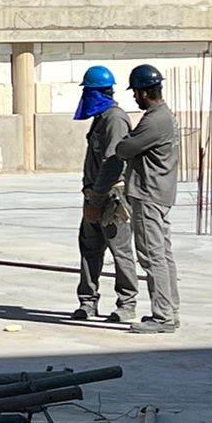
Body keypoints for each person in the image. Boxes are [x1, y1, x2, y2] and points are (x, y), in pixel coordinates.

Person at [89, 63, 180, 334]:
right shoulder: (164, 115)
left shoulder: (154, 120)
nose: (133, 98)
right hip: (159, 193)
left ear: (142, 93)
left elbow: (124, 149)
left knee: (152, 256)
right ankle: (170, 310)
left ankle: (162, 317)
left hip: (148, 194)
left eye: (135, 93)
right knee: (163, 254)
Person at [71, 66, 139, 323]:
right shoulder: (101, 118)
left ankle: (127, 303)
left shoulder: (114, 119)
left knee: (120, 250)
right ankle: (88, 301)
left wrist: (97, 200)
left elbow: (113, 163)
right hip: (93, 194)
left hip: (111, 197)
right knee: (89, 249)